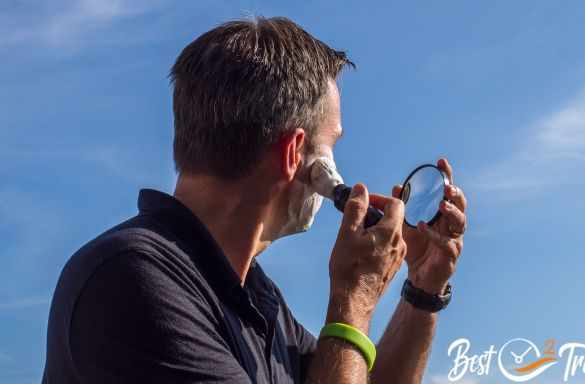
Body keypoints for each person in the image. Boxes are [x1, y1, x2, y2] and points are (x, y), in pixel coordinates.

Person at [42, 16, 467, 384]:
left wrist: (423, 289)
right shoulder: (132, 281)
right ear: (293, 154)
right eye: (332, 143)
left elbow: (349, 374)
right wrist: (354, 299)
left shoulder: (258, 300)